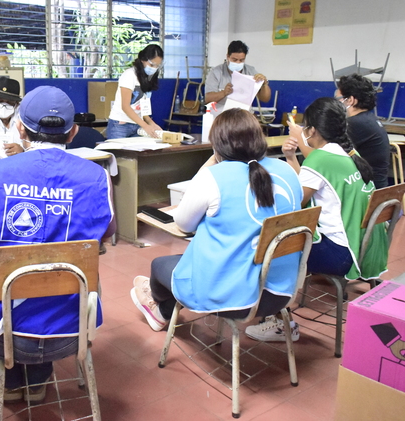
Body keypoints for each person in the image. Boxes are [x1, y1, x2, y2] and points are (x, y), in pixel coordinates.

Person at [0, 86, 115, 403]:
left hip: (1, 333)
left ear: (20, 129)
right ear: (73, 132)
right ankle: (39, 377)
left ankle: (13, 382)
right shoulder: (98, 178)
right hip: (69, 330)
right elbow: (106, 235)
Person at [130, 109, 303, 339]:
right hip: (281, 292)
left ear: (217, 146)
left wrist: (211, 162)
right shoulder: (287, 170)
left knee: (159, 265)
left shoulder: (214, 177)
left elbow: (184, 224)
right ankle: (161, 311)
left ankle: (161, 311)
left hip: (230, 296)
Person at [245, 97, 388, 342]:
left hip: (342, 254)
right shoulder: (349, 155)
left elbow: (296, 203)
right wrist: (292, 158)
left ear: (312, 130)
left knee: (275, 251)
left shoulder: (320, 159)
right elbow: (313, 184)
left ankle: (279, 322)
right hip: (367, 247)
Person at [336, 74, 390, 189]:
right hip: (376, 188)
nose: (336, 103)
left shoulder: (355, 123)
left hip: (367, 191)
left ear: (350, 100)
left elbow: (323, 156)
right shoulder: (369, 119)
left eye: (338, 99)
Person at [106, 44, 164, 139]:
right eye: (152, 64)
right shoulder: (129, 75)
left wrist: (152, 124)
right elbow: (125, 106)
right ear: (142, 60)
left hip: (137, 124)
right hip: (120, 124)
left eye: (157, 66)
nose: (154, 68)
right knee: (120, 153)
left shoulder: (148, 77)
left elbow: (142, 107)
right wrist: (146, 126)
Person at [205, 40, 271, 109]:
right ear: (228, 56)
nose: (238, 63)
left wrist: (264, 84)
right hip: (221, 114)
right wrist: (224, 93)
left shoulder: (250, 71)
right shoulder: (216, 72)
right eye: (234, 60)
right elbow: (207, 99)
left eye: (241, 60)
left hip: (244, 114)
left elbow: (265, 99)